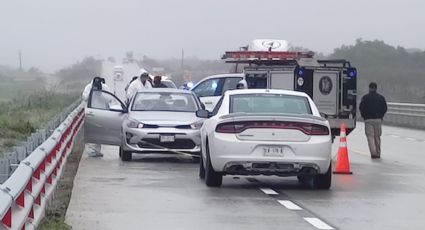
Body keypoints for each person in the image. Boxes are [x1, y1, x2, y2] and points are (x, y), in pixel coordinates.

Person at [82, 77, 111, 157]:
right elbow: (84, 97)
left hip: (101, 112)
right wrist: (92, 91)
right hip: (91, 112)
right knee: (91, 131)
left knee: (99, 133)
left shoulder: (105, 87)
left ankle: (97, 150)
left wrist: (100, 93)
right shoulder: (88, 87)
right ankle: (91, 150)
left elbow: (109, 99)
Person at [359, 82, 387, 159]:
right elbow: (385, 108)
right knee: (377, 136)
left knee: (370, 136)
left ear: (369, 88)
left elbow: (361, 107)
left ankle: (373, 152)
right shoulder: (381, 98)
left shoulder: (365, 98)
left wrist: (364, 116)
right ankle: (378, 153)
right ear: (376, 88)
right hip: (378, 119)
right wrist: (381, 116)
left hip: (368, 119)